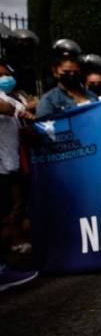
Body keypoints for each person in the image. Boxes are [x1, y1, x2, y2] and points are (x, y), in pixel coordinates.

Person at [0, 60, 38, 291]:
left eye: (7, 74)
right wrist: (20, 110)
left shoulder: (12, 99)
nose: (5, 78)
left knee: (6, 215)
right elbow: (7, 108)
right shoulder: (9, 103)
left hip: (8, 166)